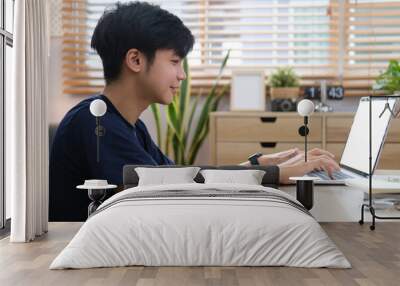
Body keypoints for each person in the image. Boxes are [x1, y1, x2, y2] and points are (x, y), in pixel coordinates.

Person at [49, 1, 339, 222]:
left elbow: (188, 178)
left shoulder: (129, 126)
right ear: (135, 60)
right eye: (175, 62)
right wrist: (276, 173)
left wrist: (259, 162)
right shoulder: (96, 123)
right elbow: (178, 191)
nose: (182, 75)